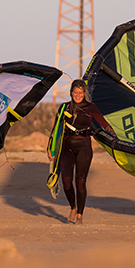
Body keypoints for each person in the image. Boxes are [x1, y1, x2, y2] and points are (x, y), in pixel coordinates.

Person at [53, 79, 113, 225]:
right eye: (75, 92)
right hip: (66, 146)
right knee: (66, 182)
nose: (78, 95)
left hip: (84, 147)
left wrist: (116, 139)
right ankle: (72, 207)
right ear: (71, 92)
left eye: (80, 92)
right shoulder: (64, 107)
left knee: (80, 182)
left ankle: (80, 214)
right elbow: (55, 130)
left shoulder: (90, 107)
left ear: (84, 93)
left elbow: (105, 124)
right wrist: (52, 150)